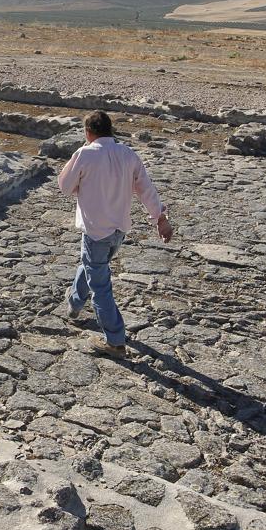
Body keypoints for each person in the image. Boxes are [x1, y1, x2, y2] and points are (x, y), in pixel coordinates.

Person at [57, 110, 173, 357]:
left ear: (88, 133)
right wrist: (159, 219)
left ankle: (115, 341)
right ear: (110, 130)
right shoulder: (128, 154)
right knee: (90, 266)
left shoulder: (84, 154)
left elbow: (65, 187)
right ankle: (74, 305)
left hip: (95, 230)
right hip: (118, 230)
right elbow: (146, 190)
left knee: (100, 286)